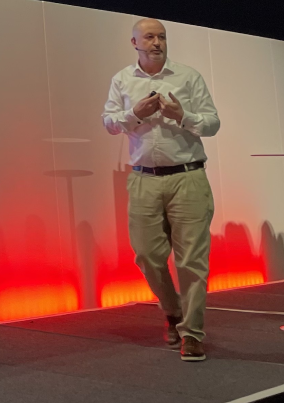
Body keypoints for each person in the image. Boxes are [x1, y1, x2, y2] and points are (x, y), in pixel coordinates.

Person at [101, 18, 220, 361]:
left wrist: (183, 116)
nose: (157, 43)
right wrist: (135, 114)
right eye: (150, 37)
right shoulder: (122, 79)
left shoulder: (188, 76)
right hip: (143, 178)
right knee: (146, 255)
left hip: (188, 176)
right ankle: (173, 312)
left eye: (162, 37)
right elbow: (109, 123)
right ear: (134, 43)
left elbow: (212, 123)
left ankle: (192, 333)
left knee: (192, 259)